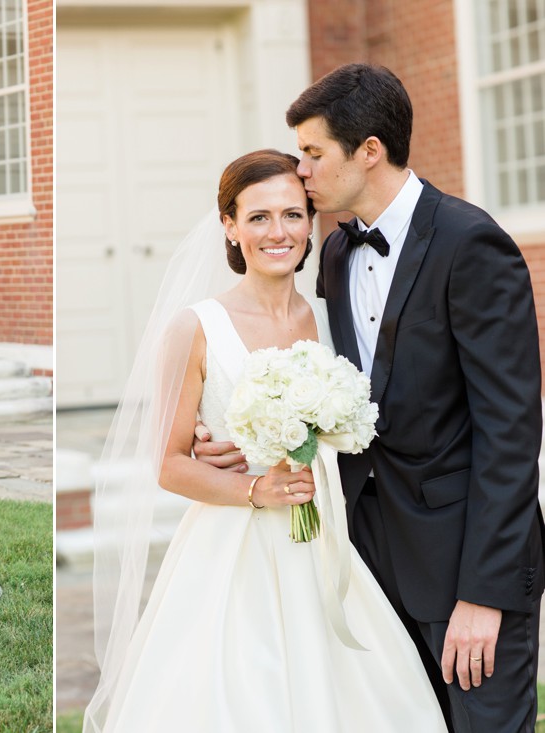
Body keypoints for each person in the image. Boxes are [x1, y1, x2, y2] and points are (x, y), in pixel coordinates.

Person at [198, 64, 545, 732]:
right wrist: (238, 440)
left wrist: (484, 594)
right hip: (364, 558)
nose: (301, 170)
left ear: (370, 152)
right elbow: (333, 394)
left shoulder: (471, 245)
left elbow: (510, 435)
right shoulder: (332, 254)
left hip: (462, 565)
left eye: (314, 152)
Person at [83, 150, 446, 731]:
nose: (278, 232)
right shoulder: (195, 328)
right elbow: (170, 464)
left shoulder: (337, 318)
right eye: (257, 217)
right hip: (233, 551)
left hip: (329, 540)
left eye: (292, 214)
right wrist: (256, 486)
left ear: (310, 221)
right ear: (229, 226)